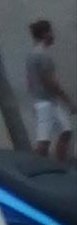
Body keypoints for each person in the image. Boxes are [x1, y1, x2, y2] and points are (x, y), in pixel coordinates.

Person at [26, 20, 72, 161]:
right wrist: (68, 101)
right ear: (45, 34)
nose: (53, 35)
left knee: (66, 131)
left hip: (46, 101)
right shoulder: (43, 55)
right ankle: (36, 166)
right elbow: (50, 81)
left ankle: (59, 165)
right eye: (51, 32)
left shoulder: (33, 54)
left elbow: (29, 80)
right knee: (44, 142)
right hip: (45, 103)